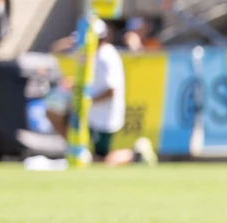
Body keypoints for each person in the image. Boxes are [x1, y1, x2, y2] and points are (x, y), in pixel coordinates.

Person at [47, 18, 156, 166]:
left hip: (103, 116)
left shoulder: (105, 56)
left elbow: (111, 89)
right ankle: (78, 151)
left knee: (100, 160)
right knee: (55, 113)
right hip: (92, 114)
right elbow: (56, 48)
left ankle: (135, 154)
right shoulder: (93, 54)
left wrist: (88, 102)